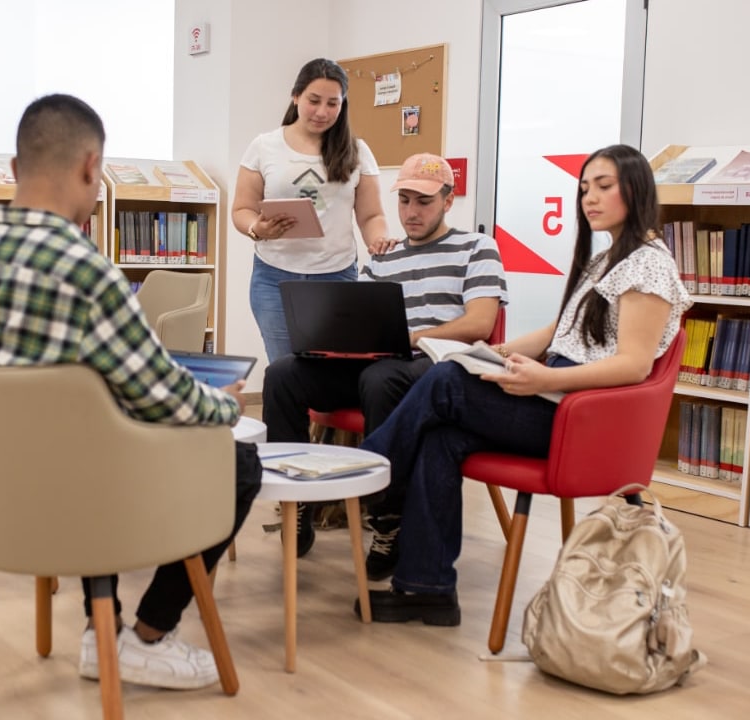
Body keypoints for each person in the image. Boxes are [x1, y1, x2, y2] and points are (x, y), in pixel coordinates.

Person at [0, 94, 261, 690]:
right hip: (80, 507)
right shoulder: (86, 271)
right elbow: (162, 398)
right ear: (90, 167)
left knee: (73, 442)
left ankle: (103, 630)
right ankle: (146, 636)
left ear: (15, 171)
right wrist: (225, 404)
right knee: (237, 463)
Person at [357, 144, 692, 625]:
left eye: (603, 187)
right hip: (557, 398)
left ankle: (366, 475)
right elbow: (561, 332)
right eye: (583, 189)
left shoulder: (648, 264)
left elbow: (634, 366)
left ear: (635, 190)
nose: (589, 199)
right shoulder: (607, 260)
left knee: (446, 379)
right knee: (440, 436)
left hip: (578, 417)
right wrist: (492, 354)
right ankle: (424, 588)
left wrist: (545, 379)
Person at [263, 153, 506, 565]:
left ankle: (387, 520)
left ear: (449, 201)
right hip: (377, 360)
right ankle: (297, 500)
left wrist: (412, 336)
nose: (411, 212)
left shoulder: (477, 248)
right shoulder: (383, 255)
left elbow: (481, 323)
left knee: (381, 379)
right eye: (405, 200)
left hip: (436, 363)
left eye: (424, 202)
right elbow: (355, 317)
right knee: (283, 373)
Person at [232, 58, 397, 364]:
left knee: (331, 373)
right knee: (285, 369)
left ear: (343, 104)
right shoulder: (264, 146)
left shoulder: (357, 150)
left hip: (336, 277)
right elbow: (241, 209)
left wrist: (378, 239)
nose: (322, 112)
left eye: (333, 103)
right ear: (296, 96)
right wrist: (258, 228)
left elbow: (371, 215)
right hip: (274, 278)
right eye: (314, 101)